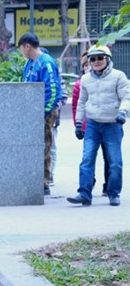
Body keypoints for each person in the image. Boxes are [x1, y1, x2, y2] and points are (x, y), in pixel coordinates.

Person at [68, 44, 129, 207]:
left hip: (113, 124)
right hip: (93, 125)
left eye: (100, 58)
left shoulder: (119, 76)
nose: (96, 62)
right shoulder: (85, 79)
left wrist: (123, 112)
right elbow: (81, 102)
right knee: (87, 159)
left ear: (108, 59)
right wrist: (79, 123)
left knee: (115, 161)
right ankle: (84, 194)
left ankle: (113, 193)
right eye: (92, 59)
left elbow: (126, 97)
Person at [17, 32, 63, 196]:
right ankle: (32, 179)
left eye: (21, 48)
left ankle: (44, 182)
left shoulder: (46, 63)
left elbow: (52, 90)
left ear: (27, 46)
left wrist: (44, 113)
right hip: (31, 113)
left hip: (44, 112)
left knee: (44, 145)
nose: (21, 52)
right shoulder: (29, 63)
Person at [72, 50, 110, 195]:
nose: (91, 65)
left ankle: (109, 186)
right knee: (88, 157)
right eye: (87, 64)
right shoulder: (80, 84)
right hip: (89, 127)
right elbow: (77, 106)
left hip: (107, 124)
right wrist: (78, 125)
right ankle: (88, 183)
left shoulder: (111, 79)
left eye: (94, 61)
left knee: (110, 157)